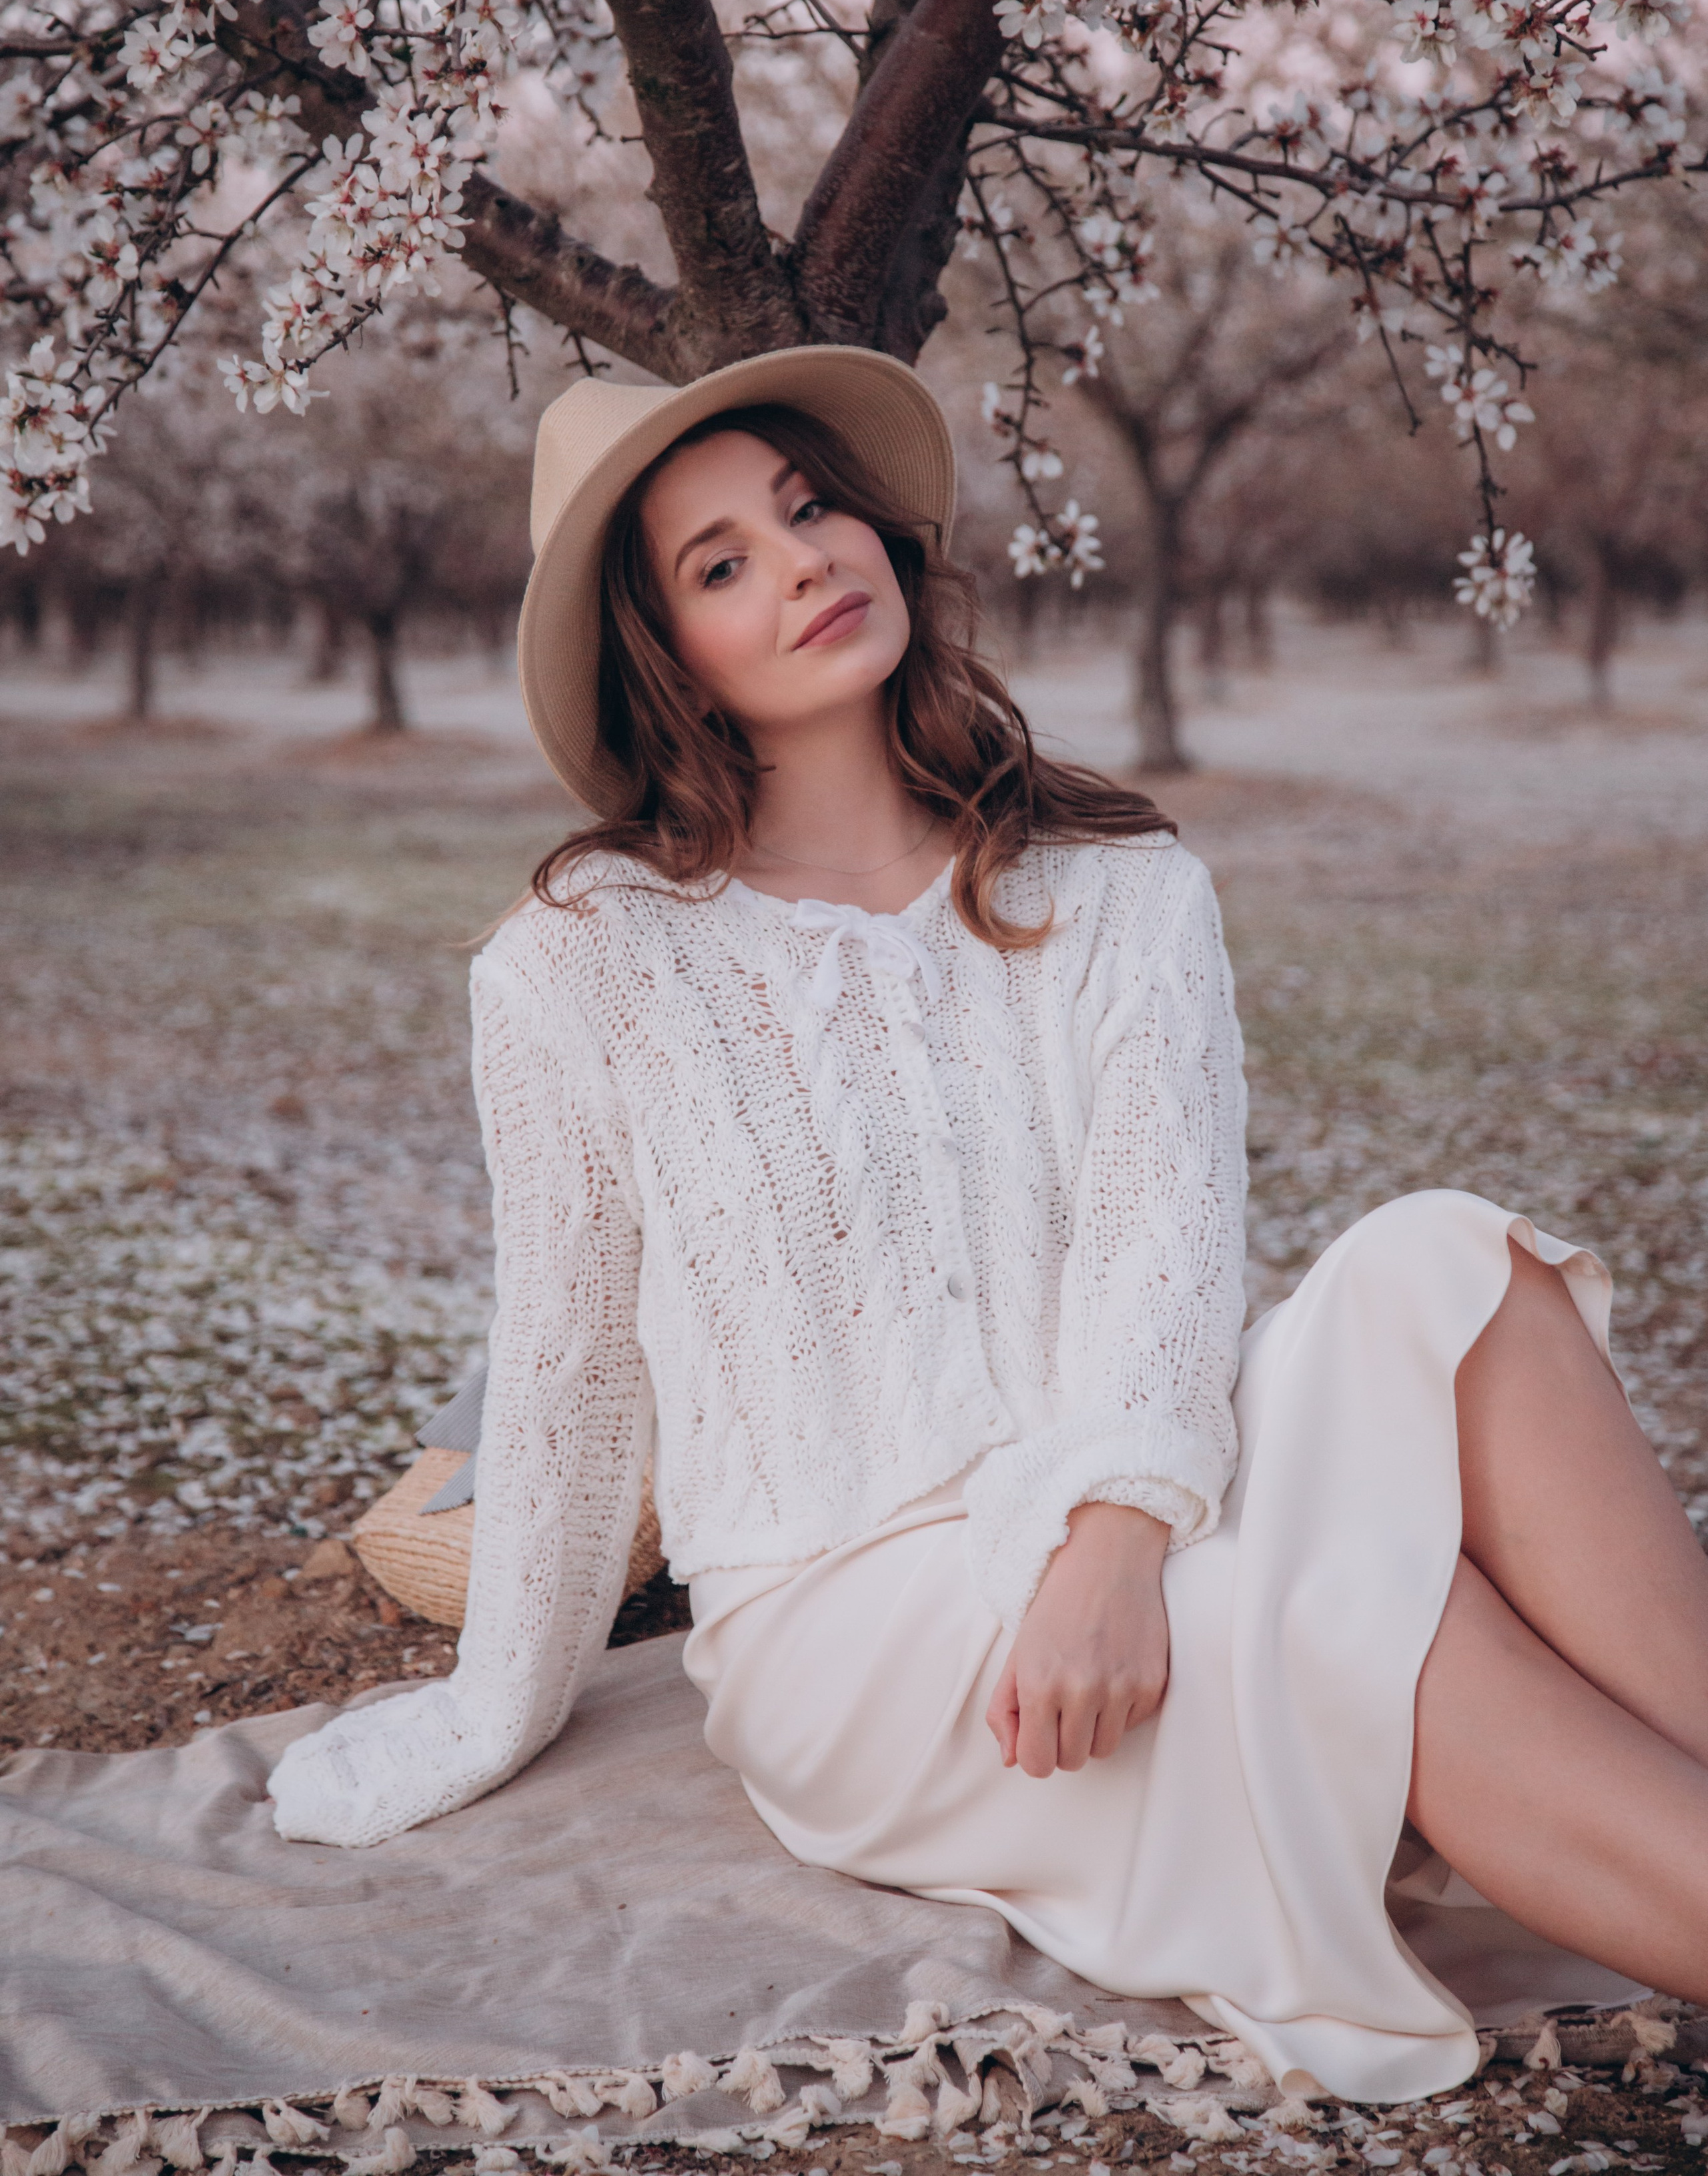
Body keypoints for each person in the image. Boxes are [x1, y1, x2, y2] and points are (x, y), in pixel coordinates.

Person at [269, 348, 1708, 2102]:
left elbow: (1160, 1249)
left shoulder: (1121, 893)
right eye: (721, 562)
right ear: (669, 656)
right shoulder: (584, 964)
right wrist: (498, 1706)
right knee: (1329, 1599)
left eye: (809, 508)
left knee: (1455, 1266)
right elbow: (569, 1372)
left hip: (1136, 1486)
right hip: (857, 1612)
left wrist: (1110, 1540)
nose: (801, 562)